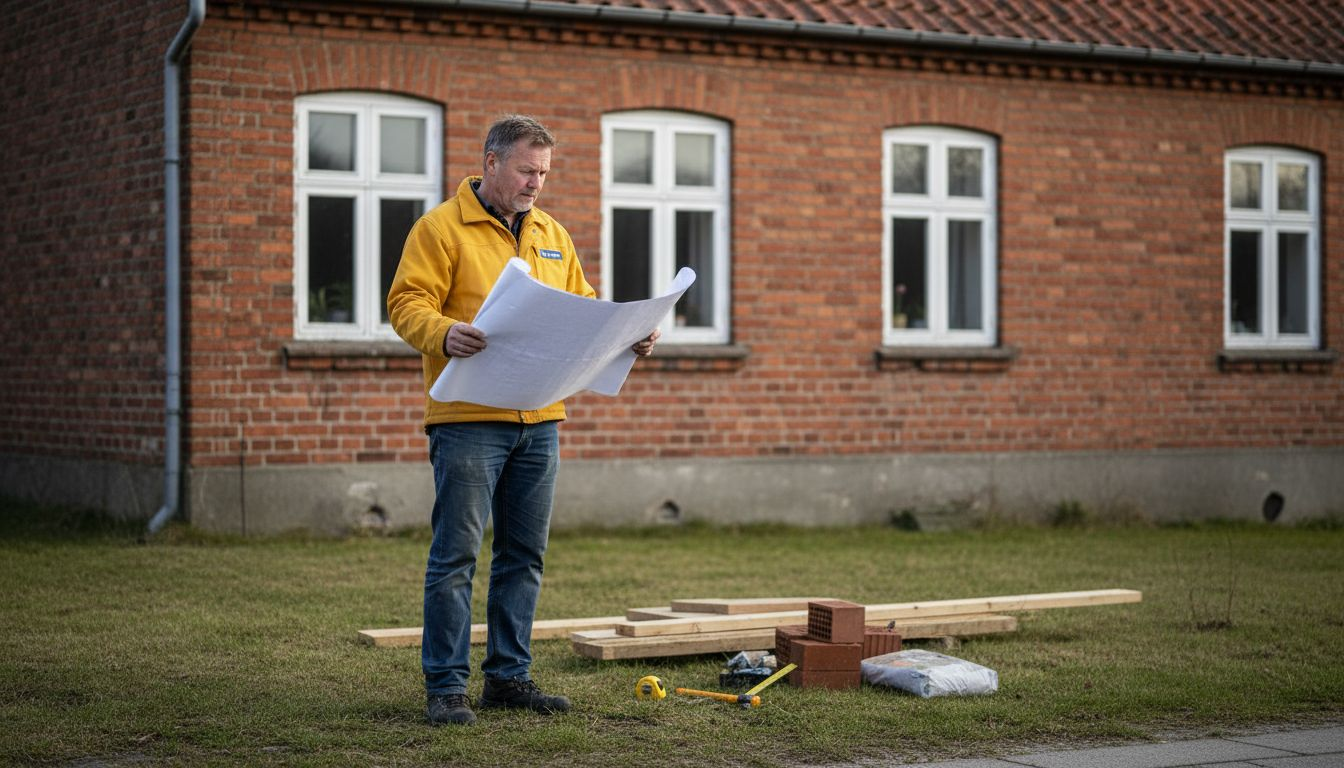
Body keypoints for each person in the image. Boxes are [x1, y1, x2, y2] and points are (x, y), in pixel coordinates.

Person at [387, 114, 659, 726]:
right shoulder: (440, 229)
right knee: (456, 555)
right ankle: (446, 688)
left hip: (540, 419)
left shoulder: (552, 234)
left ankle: (508, 678)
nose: (537, 182)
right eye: (526, 170)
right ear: (491, 162)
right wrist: (442, 332)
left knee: (523, 555)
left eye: (544, 173)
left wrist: (628, 338)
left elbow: (585, 308)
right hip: (466, 419)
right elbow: (406, 303)